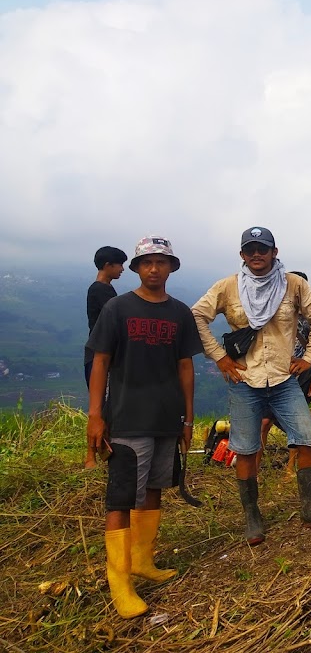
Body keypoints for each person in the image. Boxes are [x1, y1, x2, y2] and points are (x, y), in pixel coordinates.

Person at [192, 227, 311, 546]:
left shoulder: (293, 284)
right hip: (245, 380)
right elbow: (197, 317)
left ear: (275, 252)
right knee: (245, 448)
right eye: (251, 249)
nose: (257, 254)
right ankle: (253, 518)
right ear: (242, 255)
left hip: (283, 379)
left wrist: (310, 358)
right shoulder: (228, 287)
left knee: (308, 440)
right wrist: (220, 358)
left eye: (263, 249)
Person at [86, 236, 202, 618]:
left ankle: (142, 560)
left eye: (162, 262)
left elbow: (185, 367)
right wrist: (95, 414)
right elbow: (100, 360)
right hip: (127, 416)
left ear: (171, 267)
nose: (155, 268)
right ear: (137, 268)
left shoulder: (180, 313)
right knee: (121, 498)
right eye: (147, 262)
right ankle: (119, 580)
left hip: (167, 416)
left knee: (154, 488)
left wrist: (187, 418)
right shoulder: (118, 308)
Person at [258, 271, 311, 476]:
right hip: (275, 375)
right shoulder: (277, 313)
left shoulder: (310, 320)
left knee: (294, 423)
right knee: (264, 421)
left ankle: (291, 467)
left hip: (301, 377)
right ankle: (255, 467)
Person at [84, 245, 128, 468]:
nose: (122, 269)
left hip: (98, 352)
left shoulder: (101, 289)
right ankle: (91, 456)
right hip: (100, 354)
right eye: (119, 264)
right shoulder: (102, 290)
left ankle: (99, 454)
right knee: (99, 408)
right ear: (107, 265)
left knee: (103, 406)